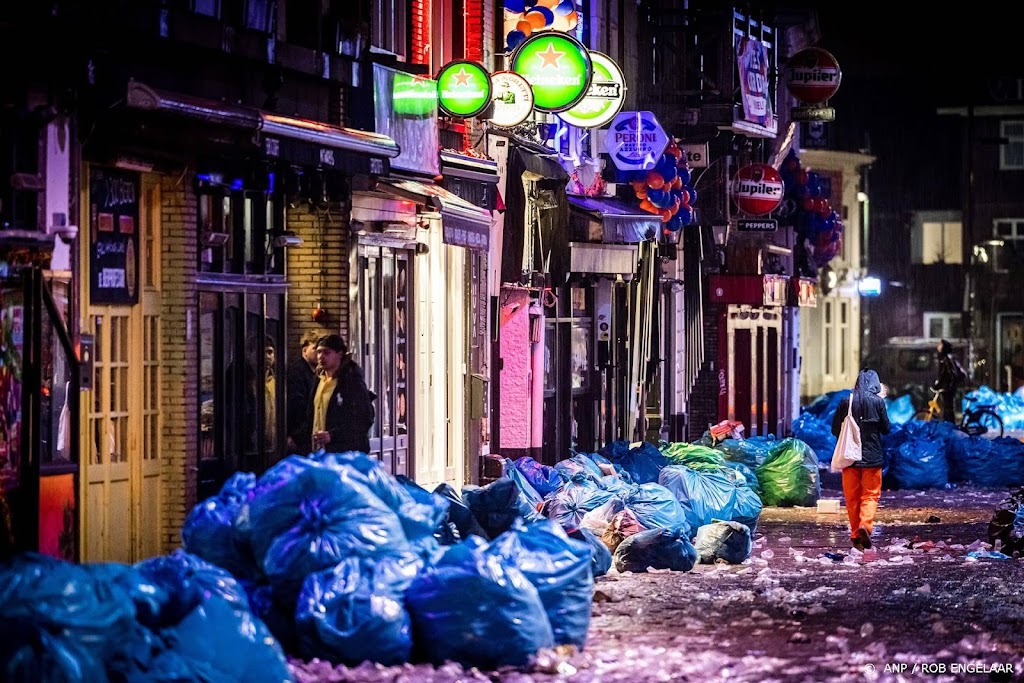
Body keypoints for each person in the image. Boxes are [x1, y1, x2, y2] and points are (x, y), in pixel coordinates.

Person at [831, 368, 891, 551]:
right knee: (870, 495)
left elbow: (835, 429)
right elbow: (886, 429)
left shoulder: (845, 401)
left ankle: (856, 534)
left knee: (852, 498)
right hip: (873, 458)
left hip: (850, 459)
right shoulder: (878, 402)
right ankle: (865, 525)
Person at [310, 333, 375, 454]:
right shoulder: (319, 379)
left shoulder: (351, 381)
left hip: (344, 453)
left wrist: (332, 435)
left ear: (339, 354)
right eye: (319, 352)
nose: (321, 357)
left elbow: (362, 418)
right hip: (320, 451)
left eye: (326, 352)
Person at [286, 329, 320, 454]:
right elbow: (296, 405)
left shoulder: (315, 373)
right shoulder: (297, 371)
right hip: (299, 435)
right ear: (304, 350)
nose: (319, 354)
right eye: (315, 349)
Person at [934, 339, 966, 423]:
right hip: (947, 387)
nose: (938, 346)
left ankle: (951, 428)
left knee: (948, 409)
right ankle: (949, 426)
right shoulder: (946, 358)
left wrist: (943, 386)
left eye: (940, 345)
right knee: (947, 409)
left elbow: (949, 374)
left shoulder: (946, 359)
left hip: (948, 388)